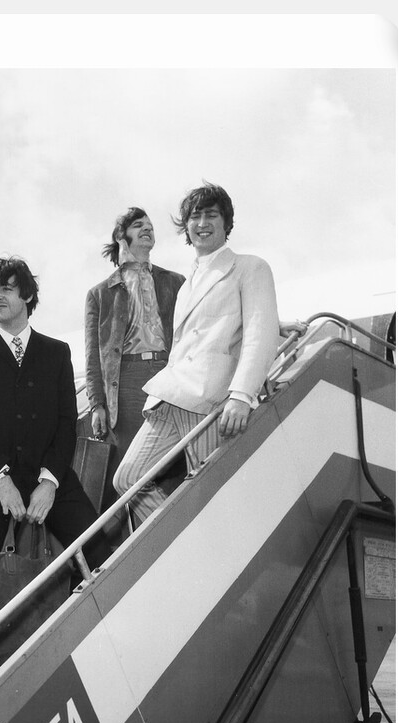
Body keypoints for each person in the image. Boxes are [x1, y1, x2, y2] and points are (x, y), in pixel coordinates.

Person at [0, 256, 112, 697]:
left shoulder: (56, 352)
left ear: (27, 295)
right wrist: (0, 476)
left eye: (5, 288)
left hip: (52, 480)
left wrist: (49, 481)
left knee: (101, 554)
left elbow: (65, 423)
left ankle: (91, 653)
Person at [113, 183, 281, 525]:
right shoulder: (187, 281)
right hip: (169, 396)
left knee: (211, 494)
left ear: (226, 222)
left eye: (211, 215)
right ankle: (182, 536)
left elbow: (259, 331)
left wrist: (241, 395)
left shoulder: (250, 267)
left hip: (209, 400)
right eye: (195, 217)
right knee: (128, 479)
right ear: (186, 227)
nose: (202, 223)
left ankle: (200, 540)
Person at [84, 207, 187, 513]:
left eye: (150, 225)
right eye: (138, 225)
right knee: (134, 472)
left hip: (169, 375)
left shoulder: (176, 281)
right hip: (126, 384)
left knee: (175, 463)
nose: (147, 229)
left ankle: (182, 525)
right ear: (121, 236)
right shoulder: (99, 294)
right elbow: (93, 357)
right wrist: (97, 404)